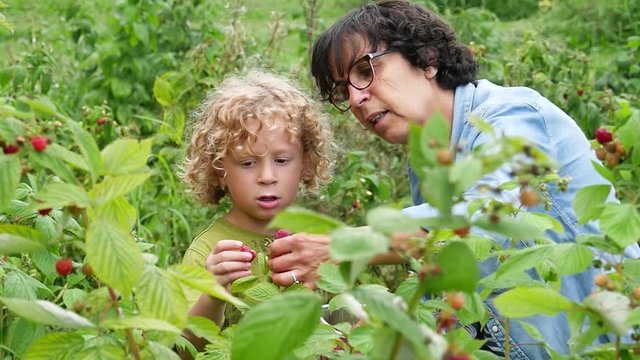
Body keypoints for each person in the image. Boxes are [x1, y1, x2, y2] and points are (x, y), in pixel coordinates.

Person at [267, 1, 640, 359]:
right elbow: (453, 283)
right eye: (342, 91)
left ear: (427, 60)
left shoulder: (513, 115)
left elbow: (487, 219)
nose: (356, 98)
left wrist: (344, 247)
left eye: (364, 71)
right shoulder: (428, 161)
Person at [178, 69, 334, 354]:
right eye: (248, 163)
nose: (267, 176)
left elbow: (335, 322)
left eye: (282, 159)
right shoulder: (210, 252)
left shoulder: (314, 243)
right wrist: (215, 292)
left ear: (305, 163)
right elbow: (185, 349)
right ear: (219, 172)